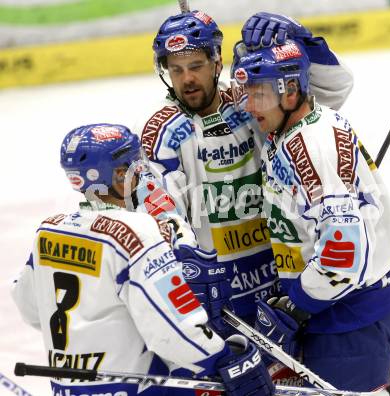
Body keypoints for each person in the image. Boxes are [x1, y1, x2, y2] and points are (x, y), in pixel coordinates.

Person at [11, 123, 275, 396]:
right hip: (135, 388)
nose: (139, 173)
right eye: (132, 166)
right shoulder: (135, 232)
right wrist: (223, 357)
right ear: (117, 176)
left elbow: (29, 305)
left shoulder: (49, 230)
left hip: (65, 388)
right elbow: (172, 328)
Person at [133, 9, 354, 329]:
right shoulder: (161, 132)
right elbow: (160, 208)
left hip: (287, 286)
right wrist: (187, 263)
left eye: (195, 66)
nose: (187, 79)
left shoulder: (249, 99)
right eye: (177, 70)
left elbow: (336, 90)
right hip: (221, 298)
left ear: (216, 62)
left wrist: (304, 39)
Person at [230, 39, 390, 392]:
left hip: (349, 320)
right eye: (247, 93)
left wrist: (299, 303)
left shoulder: (315, 147)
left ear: (291, 92)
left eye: (259, 94)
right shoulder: (296, 128)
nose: (250, 105)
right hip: (348, 310)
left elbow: (343, 252)